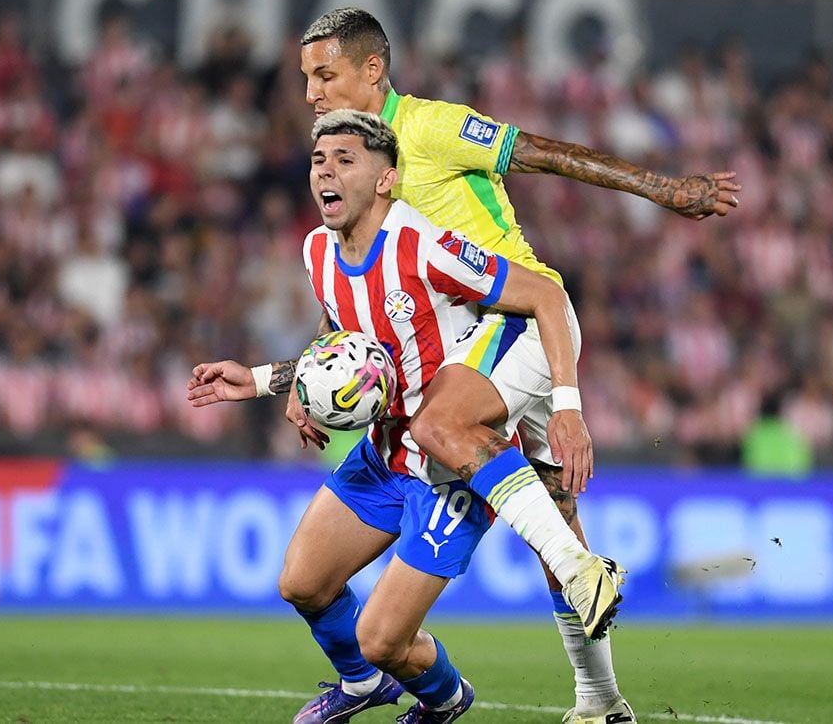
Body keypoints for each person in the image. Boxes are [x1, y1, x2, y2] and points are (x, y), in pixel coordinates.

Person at [289, 8, 740, 723]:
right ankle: (601, 700)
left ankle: (575, 594)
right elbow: (363, 280)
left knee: (446, 427)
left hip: (519, 320)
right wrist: (311, 369)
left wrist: (662, 189)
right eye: (307, 79)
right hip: (476, 348)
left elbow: (539, 152)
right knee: (554, 510)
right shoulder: (356, 160)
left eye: (324, 75)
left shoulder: (431, 128)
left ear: (371, 70)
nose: (311, 92)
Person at [188, 110, 615, 723]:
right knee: (302, 583)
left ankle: (444, 700)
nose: (326, 173)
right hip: (384, 451)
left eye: (344, 160)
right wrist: (268, 380)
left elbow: (545, 295)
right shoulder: (317, 252)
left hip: (451, 466)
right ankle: (365, 687)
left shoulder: (424, 246)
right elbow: (348, 337)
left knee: (383, 639)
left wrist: (566, 409)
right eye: (318, 161)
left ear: (386, 179)